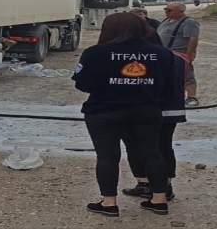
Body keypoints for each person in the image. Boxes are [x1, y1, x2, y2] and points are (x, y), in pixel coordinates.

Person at [72, 12, 177, 217]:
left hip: (104, 111)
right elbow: (169, 87)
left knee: (108, 156)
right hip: (147, 111)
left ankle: (109, 203)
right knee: (152, 153)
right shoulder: (162, 53)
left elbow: (82, 83)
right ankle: (159, 200)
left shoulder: (95, 53)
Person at [121, 26, 188, 201]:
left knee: (135, 146)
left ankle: (144, 183)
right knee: (164, 146)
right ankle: (165, 186)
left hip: (145, 110)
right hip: (172, 108)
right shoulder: (178, 58)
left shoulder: (138, 59)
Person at [157, 2, 201, 107]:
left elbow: (193, 39)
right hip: (165, 53)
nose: (166, 12)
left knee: (187, 74)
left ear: (180, 11)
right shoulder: (165, 21)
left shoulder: (188, 22)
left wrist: (189, 55)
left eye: (169, 10)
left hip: (180, 53)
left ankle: (192, 97)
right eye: (165, 9)